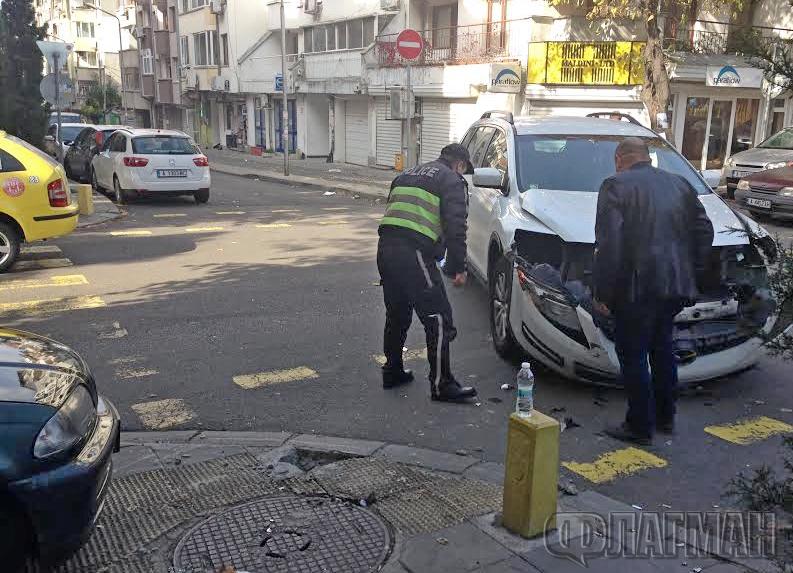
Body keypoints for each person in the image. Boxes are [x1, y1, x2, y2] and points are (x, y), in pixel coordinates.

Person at [593, 137, 714, 445]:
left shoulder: (614, 185)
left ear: (620, 159)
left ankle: (639, 426)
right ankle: (665, 417)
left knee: (633, 355)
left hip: (635, 289)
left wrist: (603, 293)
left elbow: (610, 245)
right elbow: (704, 230)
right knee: (662, 348)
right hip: (674, 286)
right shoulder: (680, 184)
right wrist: (692, 271)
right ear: (647, 157)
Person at [377, 143, 478, 402]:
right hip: (413, 253)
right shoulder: (452, 179)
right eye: (464, 170)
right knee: (440, 320)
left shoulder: (407, 173)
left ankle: (393, 371)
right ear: (460, 165)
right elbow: (456, 227)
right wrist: (458, 268)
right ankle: (441, 385)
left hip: (385, 250)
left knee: (398, 313)